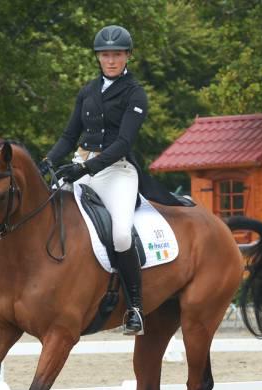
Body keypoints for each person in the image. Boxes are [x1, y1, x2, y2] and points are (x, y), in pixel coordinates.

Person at [42, 25, 158, 335]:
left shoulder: (135, 93)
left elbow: (123, 142)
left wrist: (85, 169)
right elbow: (69, 135)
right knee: (45, 213)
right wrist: (48, 161)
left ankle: (135, 308)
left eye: (117, 55)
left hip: (117, 171)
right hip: (81, 165)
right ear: (98, 57)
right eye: (105, 55)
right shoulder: (88, 91)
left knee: (121, 235)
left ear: (127, 56)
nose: (111, 60)